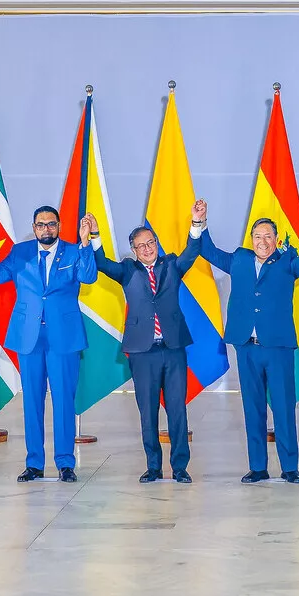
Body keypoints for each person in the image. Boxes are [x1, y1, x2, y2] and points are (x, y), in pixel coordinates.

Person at [199, 202, 299, 484]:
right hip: (247, 346)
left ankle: (290, 467)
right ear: (250, 240)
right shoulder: (239, 259)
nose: (262, 242)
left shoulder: (288, 260)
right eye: (257, 237)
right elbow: (208, 251)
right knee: (252, 407)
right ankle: (258, 467)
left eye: (268, 237)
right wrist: (200, 223)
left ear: (276, 240)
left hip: (277, 348)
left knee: (283, 407)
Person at [88, 203, 203, 484]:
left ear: (157, 244)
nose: (148, 248)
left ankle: (179, 467)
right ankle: (153, 466)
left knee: (177, 409)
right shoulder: (128, 270)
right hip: (142, 352)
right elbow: (102, 264)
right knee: (147, 411)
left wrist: (197, 224)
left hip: (173, 348)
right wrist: (94, 235)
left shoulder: (172, 265)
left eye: (151, 243)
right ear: (134, 251)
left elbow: (192, 252)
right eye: (141, 246)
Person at [0, 206, 96, 483]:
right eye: (41, 225)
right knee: (32, 400)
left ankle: (65, 463)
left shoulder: (72, 251)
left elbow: (89, 276)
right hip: (28, 336)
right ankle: (34, 463)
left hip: (63, 336)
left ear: (59, 225)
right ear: (33, 228)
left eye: (51, 224)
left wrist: (85, 242)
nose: (46, 229)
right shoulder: (20, 252)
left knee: (63, 401)